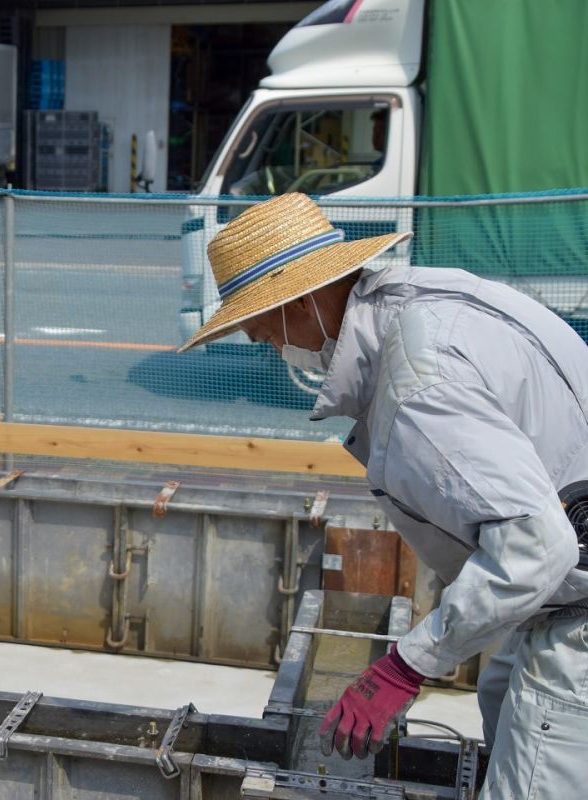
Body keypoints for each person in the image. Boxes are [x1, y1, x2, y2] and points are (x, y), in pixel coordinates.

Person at [180, 192, 588, 798]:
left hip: (575, 609)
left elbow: (536, 547)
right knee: (501, 687)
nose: (262, 340)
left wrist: (405, 665)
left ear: (301, 301)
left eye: (261, 325)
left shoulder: (420, 384)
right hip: (561, 592)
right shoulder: (426, 300)